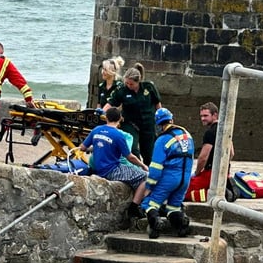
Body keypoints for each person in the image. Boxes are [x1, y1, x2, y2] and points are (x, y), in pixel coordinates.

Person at [79, 107, 148, 214]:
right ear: (120, 119)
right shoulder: (119, 135)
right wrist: (143, 165)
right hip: (112, 170)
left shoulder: (96, 130)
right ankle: (134, 208)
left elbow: (83, 148)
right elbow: (129, 157)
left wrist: (95, 147)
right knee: (145, 177)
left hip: (97, 169)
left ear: (106, 118)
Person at [141, 108, 194, 239]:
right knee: (173, 207)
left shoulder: (162, 140)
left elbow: (155, 168)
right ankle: (182, 225)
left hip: (169, 177)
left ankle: (155, 224)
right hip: (185, 179)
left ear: (158, 124)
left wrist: (149, 187)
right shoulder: (187, 135)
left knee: (149, 204)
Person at [103, 63, 162, 165]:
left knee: (148, 153)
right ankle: (138, 168)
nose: (129, 86)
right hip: (130, 123)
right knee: (133, 148)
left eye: (131, 84)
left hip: (148, 123)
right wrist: (102, 112)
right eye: (127, 83)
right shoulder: (122, 90)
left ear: (138, 82)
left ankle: (149, 172)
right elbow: (111, 103)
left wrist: (161, 119)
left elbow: (157, 104)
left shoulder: (149, 87)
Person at [185, 102, 235, 202]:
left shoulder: (210, 132)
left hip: (210, 173)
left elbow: (203, 158)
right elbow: (231, 153)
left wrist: (197, 173)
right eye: (201, 116)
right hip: (224, 173)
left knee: (181, 190)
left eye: (206, 116)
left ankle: (211, 194)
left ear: (215, 115)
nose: (203, 118)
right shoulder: (225, 130)